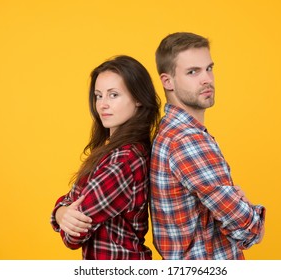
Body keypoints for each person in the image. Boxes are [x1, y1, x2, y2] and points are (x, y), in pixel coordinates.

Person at [150, 32, 266, 260]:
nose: (207, 79)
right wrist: (250, 213)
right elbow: (249, 229)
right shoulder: (187, 140)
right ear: (167, 81)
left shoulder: (170, 130)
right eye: (193, 72)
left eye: (209, 69)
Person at [50, 55, 160, 260]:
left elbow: (73, 237)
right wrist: (61, 212)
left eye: (113, 95)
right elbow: (69, 208)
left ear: (138, 98)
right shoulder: (113, 151)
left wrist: (61, 213)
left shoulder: (124, 161)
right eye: (98, 95)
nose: (102, 105)